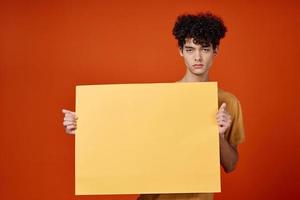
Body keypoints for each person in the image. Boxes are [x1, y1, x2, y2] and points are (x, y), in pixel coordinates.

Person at [62, 12, 245, 200]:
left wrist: (219, 136)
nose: (197, 57)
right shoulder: (160, 98)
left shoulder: (228, 103)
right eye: (190, 49)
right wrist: (83, 125)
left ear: (215, 51)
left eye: (204, 49)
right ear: (181, 51)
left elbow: (231, 166)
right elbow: (123, 134)